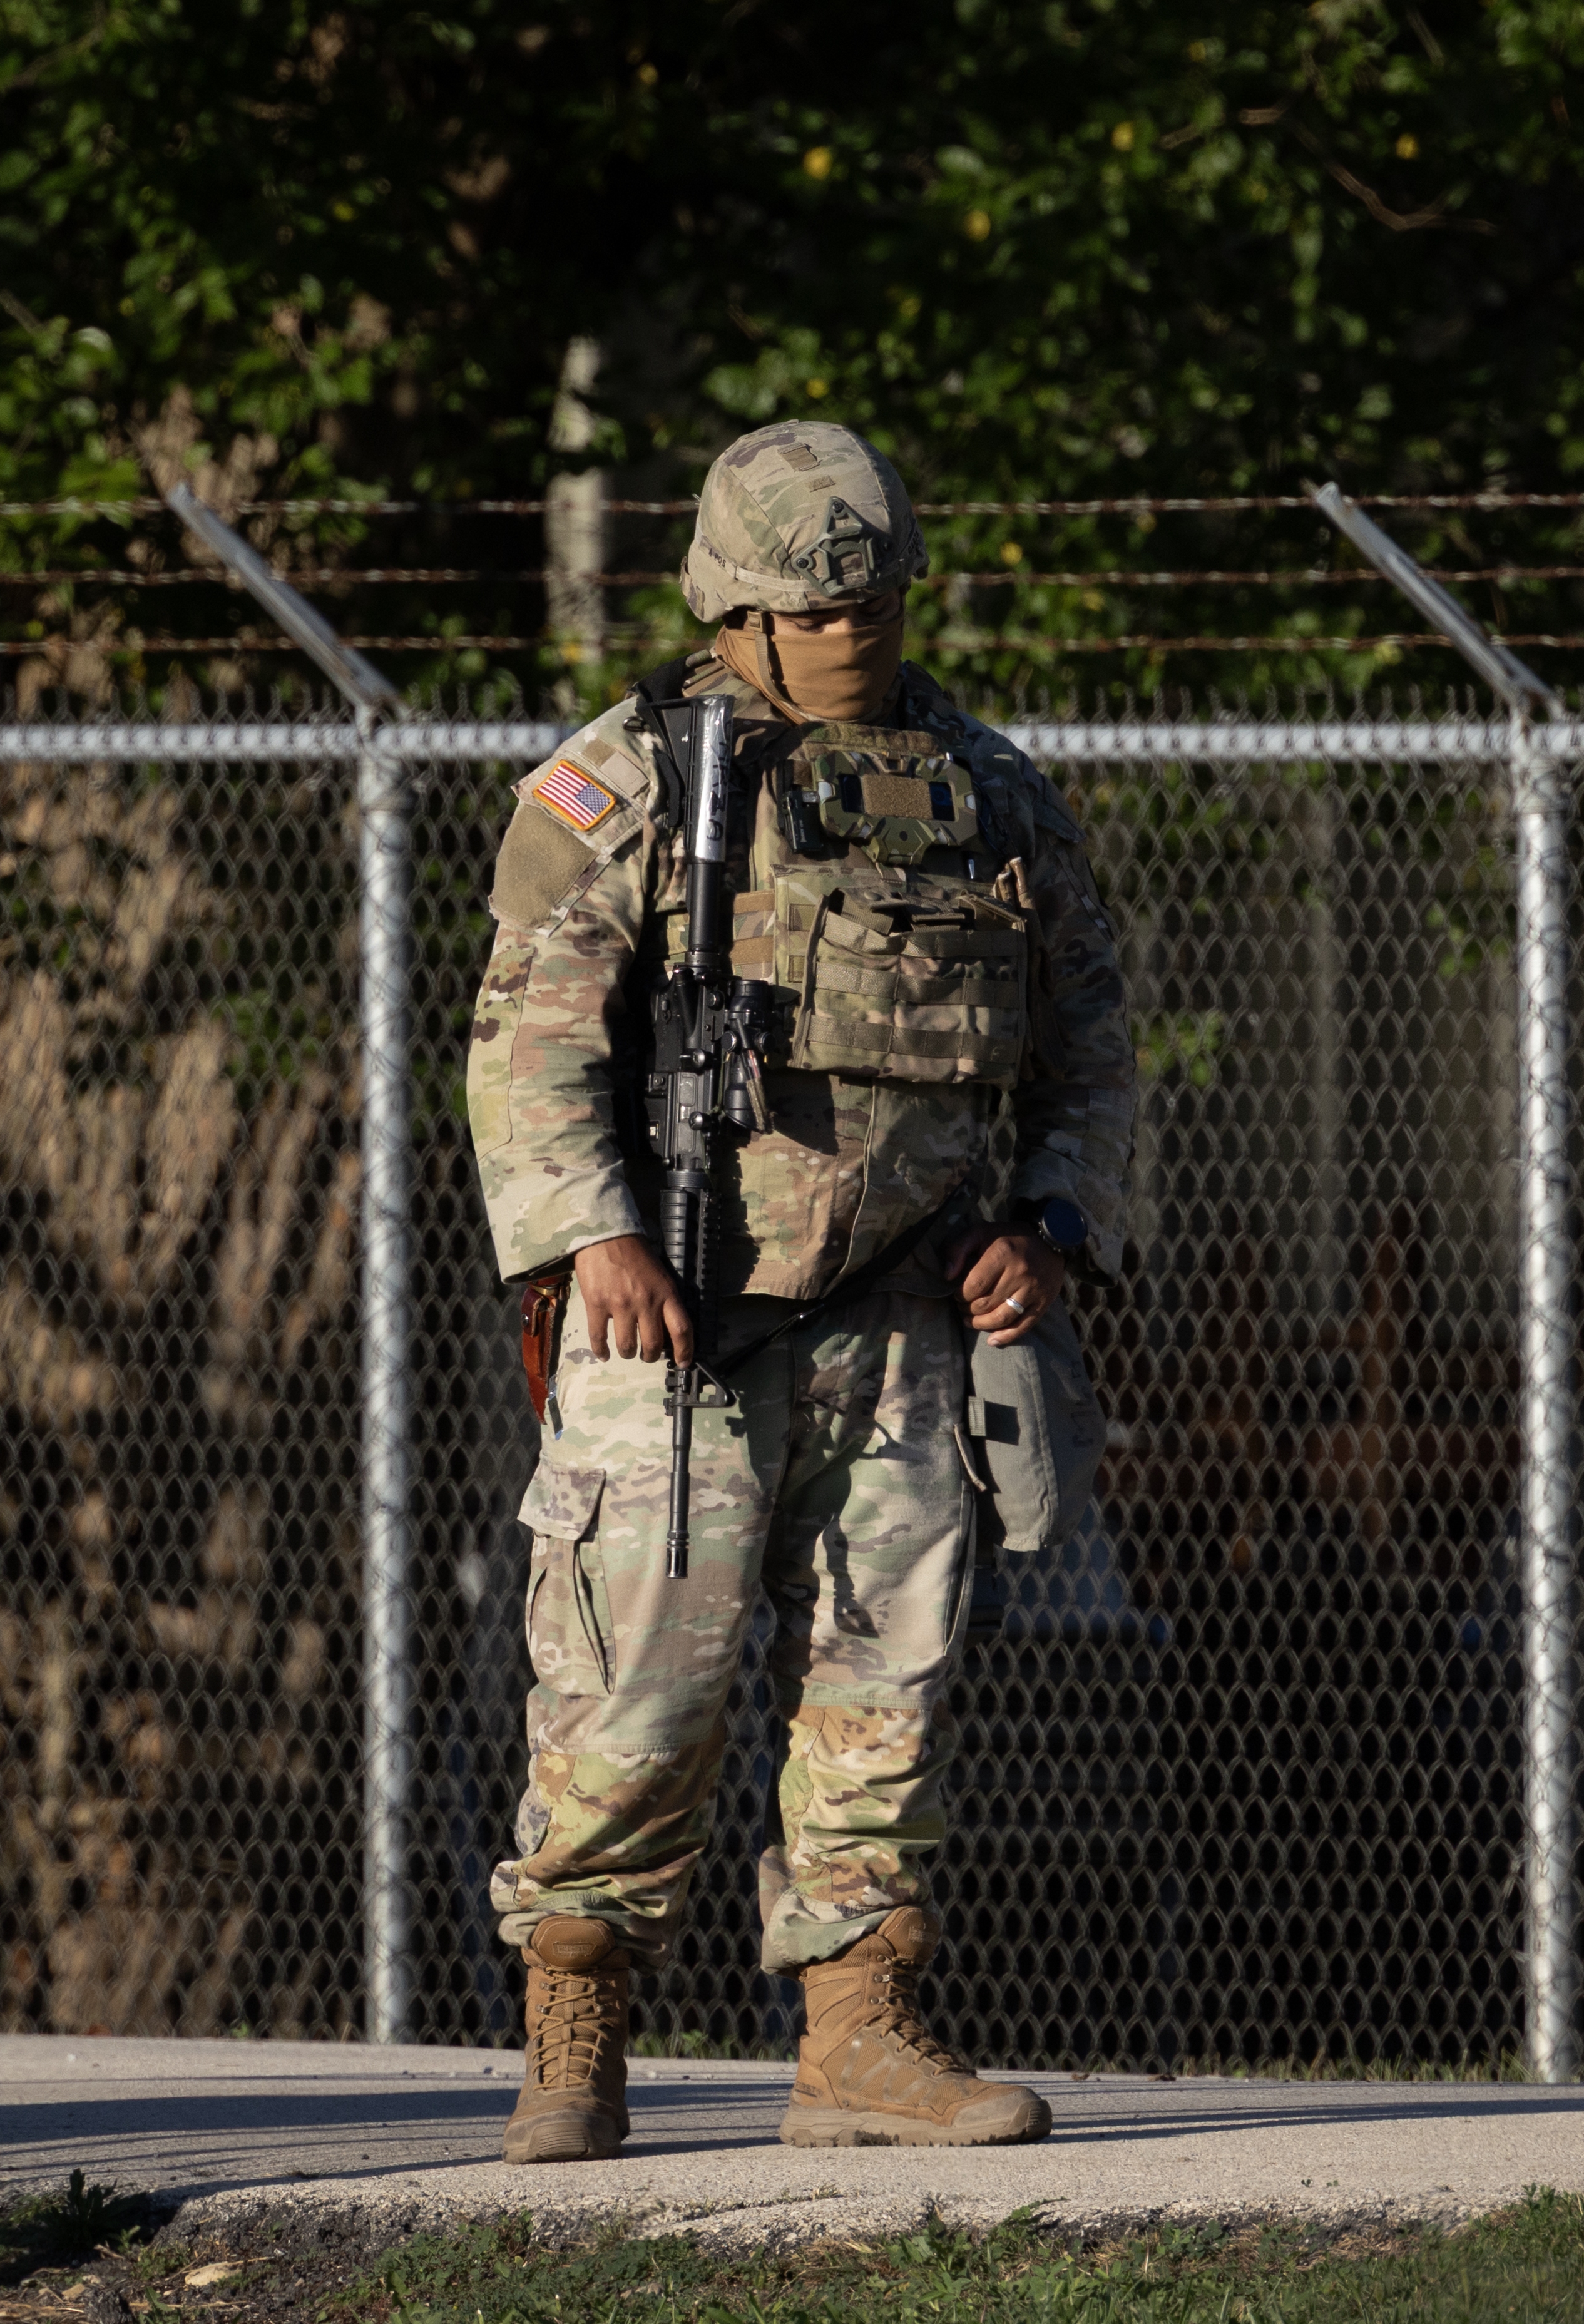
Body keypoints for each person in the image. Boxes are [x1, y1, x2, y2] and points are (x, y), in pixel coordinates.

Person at [466, 419, 1134, 2158]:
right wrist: (593, 1232)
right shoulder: (629, 785)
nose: (856, 632)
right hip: (669, 1316)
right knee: (638, 1695)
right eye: (815, 608)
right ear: (735, 616)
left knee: (886, 1691)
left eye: (879, 598)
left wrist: (1048, 1227)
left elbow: (1094, 1038)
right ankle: (576, 2028)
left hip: (906, 1319)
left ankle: (859, 2035)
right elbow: (527, 1033)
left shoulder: (986, 788)